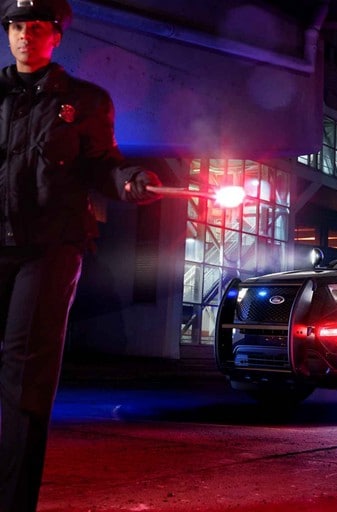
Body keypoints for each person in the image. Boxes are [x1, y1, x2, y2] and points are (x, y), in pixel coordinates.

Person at [0, 1, 162, 510]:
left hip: (49, 249)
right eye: (16, 25)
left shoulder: (85, 102)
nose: (25, 35)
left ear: (56, 36)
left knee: (25, 377)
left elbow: (102, 165)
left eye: (37, 27)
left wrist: (131, 181)